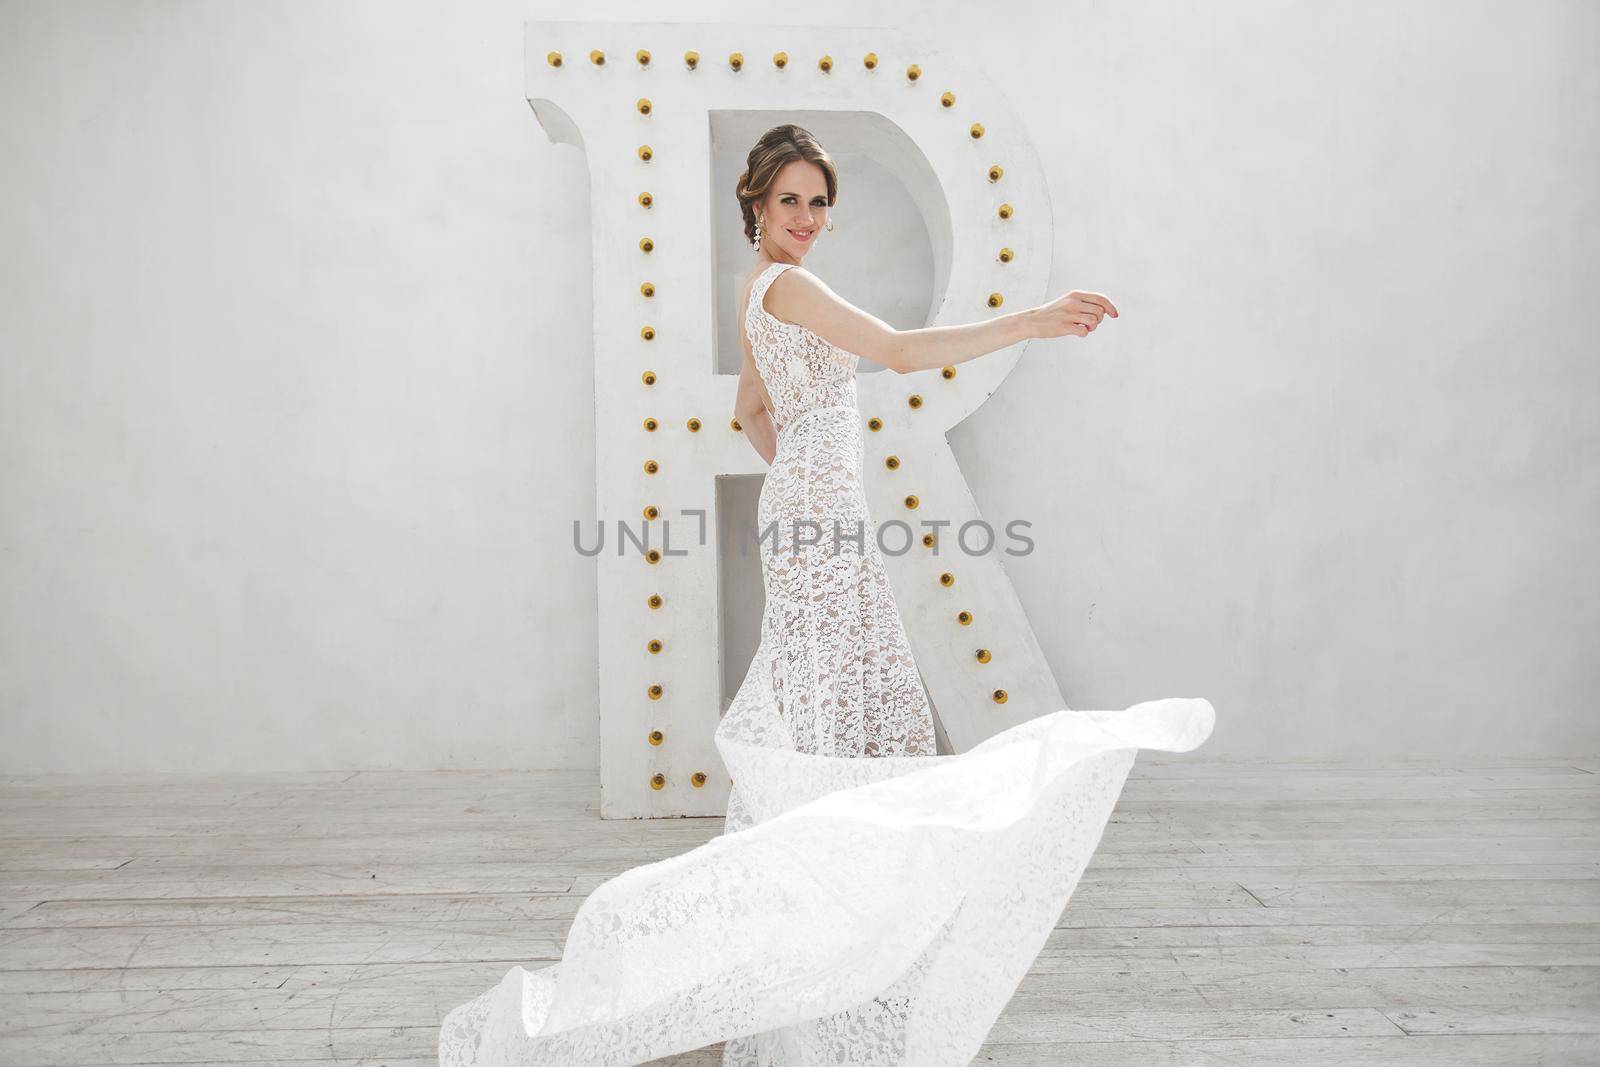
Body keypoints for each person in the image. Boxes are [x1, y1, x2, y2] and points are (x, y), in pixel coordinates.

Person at [439, 124, 1214, 1066]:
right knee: (836, 719)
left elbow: (751, 414)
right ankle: (816, 932)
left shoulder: (754, 292)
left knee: (824, 715)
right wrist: (1029, 320)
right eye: (789, 201)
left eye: (818, 203)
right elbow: (893, 347)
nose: (807, 218)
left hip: (804, 512)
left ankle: (806, 929)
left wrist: (804, 480)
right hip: (820, 519)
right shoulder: (791, 286)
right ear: (756, 206)